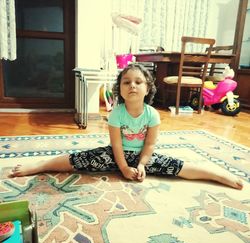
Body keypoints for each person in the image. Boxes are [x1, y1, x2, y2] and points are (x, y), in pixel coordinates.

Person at [11, 64, 243, 190]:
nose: (132, 85)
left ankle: (218, 175)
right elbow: (115, 144)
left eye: (138, 82)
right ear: (119, 89)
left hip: (143, 155)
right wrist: (122, 167)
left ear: (148, 88)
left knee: (178, 166)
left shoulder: (152, 114)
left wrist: (142, 164)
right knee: (77, 160)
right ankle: (39, 165)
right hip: (116, 154)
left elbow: (150, 144)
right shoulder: (116, 113)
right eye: (126, 82)